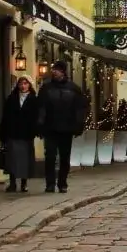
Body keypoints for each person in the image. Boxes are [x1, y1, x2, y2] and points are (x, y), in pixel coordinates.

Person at [37, 61, 86, 193]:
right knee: (50, 156)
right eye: (53, 69)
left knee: (65, 157)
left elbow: (79, 109)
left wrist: (78, 125)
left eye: (57, 70)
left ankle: (62, 183)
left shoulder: (73, 89)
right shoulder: (46, 88)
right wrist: (40, 125)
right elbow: (41, 108)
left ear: (63, 72)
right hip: (50, 127)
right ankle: (50, 184)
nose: (54, 71)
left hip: (67, 128)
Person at [0, 76, 38, 193]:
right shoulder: (11, 99)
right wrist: (3, 132)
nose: (23, 85)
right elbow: (5, 117)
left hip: (26, 134)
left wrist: (34, 130)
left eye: (25, 83)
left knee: (24, 160)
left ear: (29, 85)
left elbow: (36, 117)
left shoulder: (34, 100)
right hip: (13, 133)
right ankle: (12, 183)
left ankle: (24, 183)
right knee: (12, 159)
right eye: (21, 83)